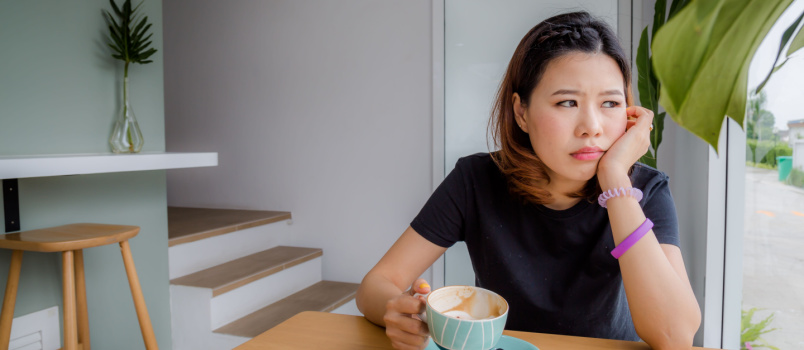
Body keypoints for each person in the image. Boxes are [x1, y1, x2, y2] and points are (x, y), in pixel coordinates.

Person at [355, 11, 701, 350]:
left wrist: (616, 184)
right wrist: (399, 313)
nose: (591, 127)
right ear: (521, 112)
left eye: (610, 103)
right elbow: (376, 284)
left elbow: (675, 338)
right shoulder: (475, 181)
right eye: (567, 102)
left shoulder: (647, 189)